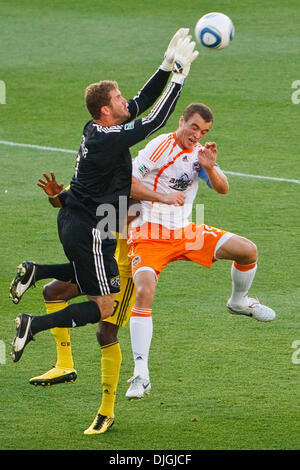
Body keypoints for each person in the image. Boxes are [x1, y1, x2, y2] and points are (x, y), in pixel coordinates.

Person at [10, 29, 198, 435]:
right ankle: (33, 326)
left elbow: (140, 105)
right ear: (105, 112)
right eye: (116, 99)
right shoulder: (110, 139)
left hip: (79, 220)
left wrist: (165, 66)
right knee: (106, 308)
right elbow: (154, 120)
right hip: (94, 230)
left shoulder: (98, 128)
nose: (122, 101)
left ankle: (37, 272)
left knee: (61, 289)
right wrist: (181, 78)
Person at [125, 102, 276, 400]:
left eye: (204, 131)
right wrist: (163, 197)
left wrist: (209, 167)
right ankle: (141, 374)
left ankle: (239, 301)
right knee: (144, 291)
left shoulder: (200, 154)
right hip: (149, 233)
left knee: (247, 251)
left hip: (185, 232)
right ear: (181, 121)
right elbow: (126, 183)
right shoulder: (158, 148)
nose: (197, 135)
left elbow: (223, 188)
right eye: (193, 127)